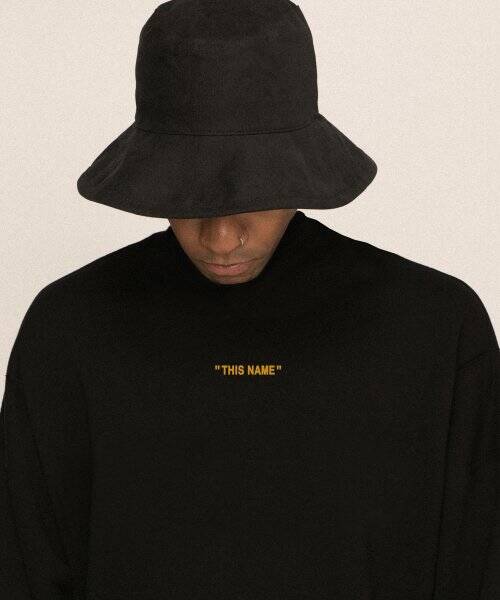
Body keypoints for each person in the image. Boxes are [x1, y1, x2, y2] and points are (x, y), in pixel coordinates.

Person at [1, 1, 498, 599]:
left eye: (253, 193)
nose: (220, 239)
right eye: (187, 195)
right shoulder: (71, 329)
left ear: (300, 169)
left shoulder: (434, 331)